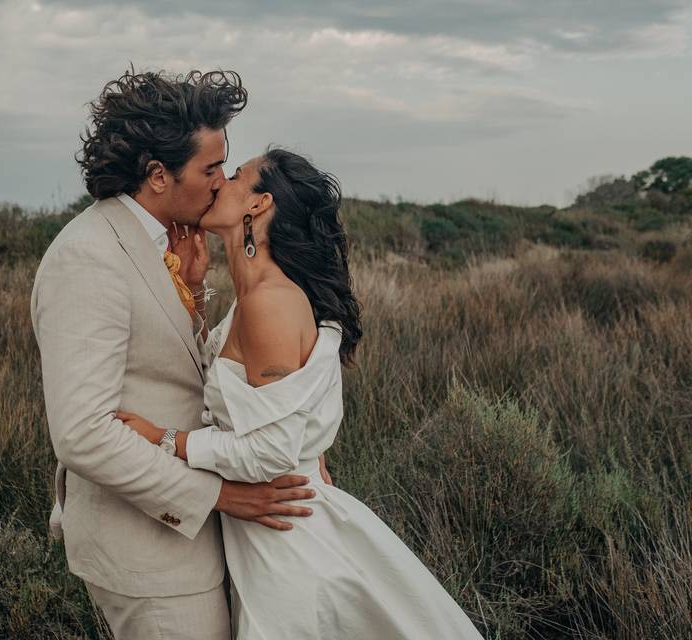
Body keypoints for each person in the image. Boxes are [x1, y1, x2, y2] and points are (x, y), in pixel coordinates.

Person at [116, 148, 487, 639]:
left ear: (258, 203)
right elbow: (253, 396)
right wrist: (194, 288)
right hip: (275, 532)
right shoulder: (256, 298)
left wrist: (164, 439)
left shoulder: (269, 302)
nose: (219, 181)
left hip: (287, 542)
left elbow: (271, 452)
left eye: (236, 175)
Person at [29, 70, 317, 640]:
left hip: (189, 545)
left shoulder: (163, 245)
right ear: (158, 175)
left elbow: (168, 372)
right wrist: (220, 495)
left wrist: (191, 296)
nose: (219, 184)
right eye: (210, 169)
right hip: (151, 558)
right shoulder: (89, 258)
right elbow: (83, 432)